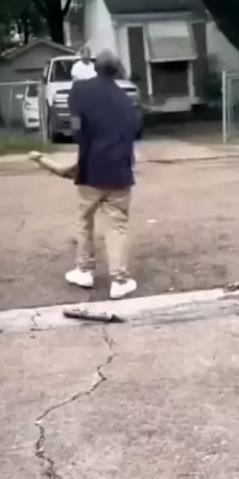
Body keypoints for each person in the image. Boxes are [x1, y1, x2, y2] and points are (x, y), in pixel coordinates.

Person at [66, 49, 141, 300]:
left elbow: (76, 129)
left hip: (90, 168)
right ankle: (119, 280)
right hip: (119, 171)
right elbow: (135, 133)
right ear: (116, 70)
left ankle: (84, 270)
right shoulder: (125, 100)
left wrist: (84, 150)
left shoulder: (80, 90)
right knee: (117, 225)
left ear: (95, 66)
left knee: (84, 219)